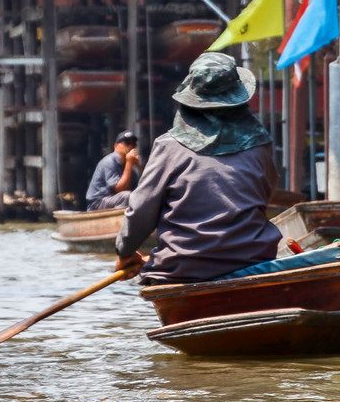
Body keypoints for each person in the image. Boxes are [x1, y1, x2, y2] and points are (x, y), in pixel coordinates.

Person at [114, 52, 281, 284]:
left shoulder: (168, 146)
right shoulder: (261, 145)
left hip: (181, 269)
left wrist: (125, 252)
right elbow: (265, 194)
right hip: (252, 263)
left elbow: (141, 210)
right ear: (238, 102)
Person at [85, 130, 141, 211]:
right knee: (126, 196)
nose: (130, 146)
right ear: (116, 146)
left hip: (113, 200)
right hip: (97, 203)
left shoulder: (129, 165)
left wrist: (139, 166)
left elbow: (142, 186)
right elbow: (119, 189)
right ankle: (124, 222)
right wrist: (129, 162)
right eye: (127, 143)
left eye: (133, 144)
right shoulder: (109, 161)